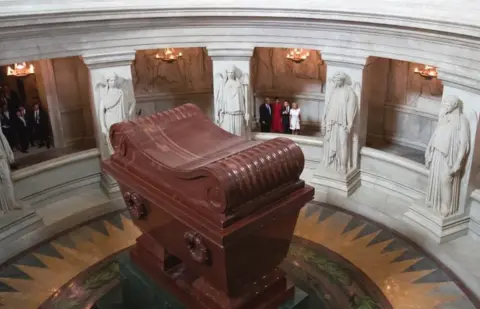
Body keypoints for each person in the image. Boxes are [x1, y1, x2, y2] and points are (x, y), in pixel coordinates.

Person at [425, 95, 470, 217]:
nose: (444, 106)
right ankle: (435, 201)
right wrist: (429, 148)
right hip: (438, 151)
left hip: (449, 156)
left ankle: (446, 206)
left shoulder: (462, 120)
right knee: (435, 177)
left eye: (447, 104)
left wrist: (458, 163)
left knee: (446, 180)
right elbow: (436, 133)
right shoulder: (445, 116)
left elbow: (464, 144)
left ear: (455, 105)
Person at [322, 71, 358, 173]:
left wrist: (350, 123)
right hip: (332, 122)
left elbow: (351, 109)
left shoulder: (349, 92)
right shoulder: (334, 91)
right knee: (329, 141)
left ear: (343, 80)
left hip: (343, 123)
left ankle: (343, 166)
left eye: (338, 80)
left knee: (343, 144)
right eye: (335, 81)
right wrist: (324, 119)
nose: (336, 83)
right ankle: (332, 162)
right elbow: (328, 106)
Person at [97, 72, 134, 153]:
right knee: (112, 140)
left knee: (122, 139)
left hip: (120, 118)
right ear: (107, 82)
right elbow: (101, 112)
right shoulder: (105, 95)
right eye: (111, 80)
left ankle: (122, 156)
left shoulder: (121, 92)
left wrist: (129, 114)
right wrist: (103, 126)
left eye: (114, 80)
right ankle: (114, 156)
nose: (113, 82)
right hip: (110, 120)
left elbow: (133, 101)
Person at [215, 66, 250, 136]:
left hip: (237, 113)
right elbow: (220, 98)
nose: (230, 74)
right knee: (227, 132)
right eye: (229, 72)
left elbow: (243, 98)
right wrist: (217, 113)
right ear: (226, 73)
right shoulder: (224, 84)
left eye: (232, 72)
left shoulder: (238, 84)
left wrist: (245, 111)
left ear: (234, 73)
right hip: (227, 112)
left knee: (238, 131)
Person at [0, 129, 22, 216]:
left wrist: (9, 152)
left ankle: (12, 202)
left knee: (7, 179)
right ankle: (3, 207)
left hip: (2, 156)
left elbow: (2, 137)